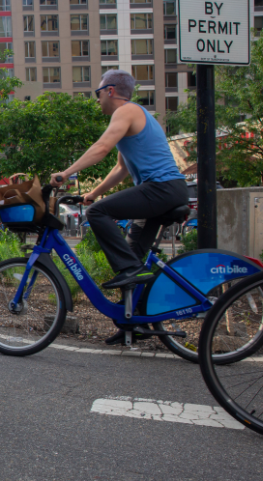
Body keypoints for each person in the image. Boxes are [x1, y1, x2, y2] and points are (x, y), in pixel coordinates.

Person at [49, 70, 187, 345]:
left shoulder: (126, 112)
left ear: (110, 91)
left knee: (99, 214)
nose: (97, 99)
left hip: (162, 188)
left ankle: (130, 272)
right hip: (165, 191)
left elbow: (101, 148)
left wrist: (65, 174)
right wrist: (94, 192)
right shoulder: (135, 118)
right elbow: (121, 168)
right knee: (134, 257)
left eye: (97, 93)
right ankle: (134, 324)